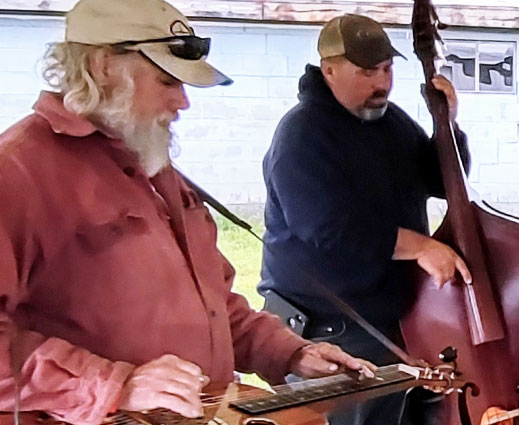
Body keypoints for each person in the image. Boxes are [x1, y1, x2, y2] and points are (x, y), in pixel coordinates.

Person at [0, 0, 375, 423]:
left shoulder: (151, 166)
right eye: (166, 81)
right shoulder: (18, 172)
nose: (183, 102)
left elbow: (214, 307)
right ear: (104, 67)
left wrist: (292, 352)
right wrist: (112, 384)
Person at [257, 13, 471, 425]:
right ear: (330, 69)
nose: (382, 83)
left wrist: (448, 124)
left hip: (392, 319)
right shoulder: (302, 134)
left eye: (388, 69)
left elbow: (443, 182)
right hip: (329, 327)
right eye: (367, 71)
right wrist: (421, 247)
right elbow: (330, 228)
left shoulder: (390, 122)